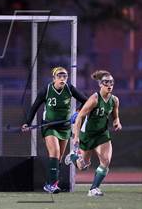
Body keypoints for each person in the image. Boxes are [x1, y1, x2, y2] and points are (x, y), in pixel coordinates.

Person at [22, 66, 87, 194]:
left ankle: (51, 183)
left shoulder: (69, 88)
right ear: (54, 78)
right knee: (55, 152)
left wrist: (78, 113)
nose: (62, 79)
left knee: (59, 158)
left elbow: (86, 101)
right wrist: (27, 122)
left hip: (65, 127)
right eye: (59, 76)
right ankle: (51, 185)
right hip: (49, 126)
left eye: (65, 76)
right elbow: (35, 106)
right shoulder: (46, 90)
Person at [73, 70, 121, 197]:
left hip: (102, 134)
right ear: (100, 84)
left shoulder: (114, 100)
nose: (109, 85)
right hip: (88, 134)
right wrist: (76, 137)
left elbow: (115, 116)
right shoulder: (94, 99)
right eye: (106, 82)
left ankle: (93, 189)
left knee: (105, 161)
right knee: (83, 166)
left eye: (111, 82)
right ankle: (73, 156)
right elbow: (79, 117)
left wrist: (117, 122)